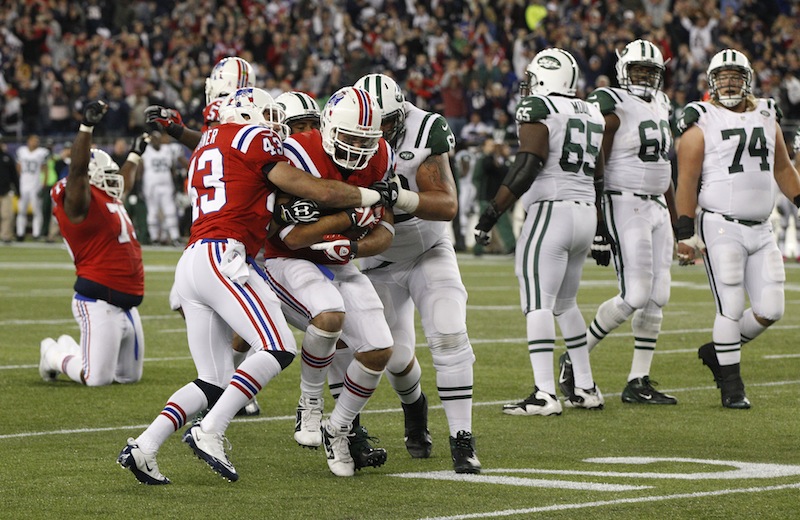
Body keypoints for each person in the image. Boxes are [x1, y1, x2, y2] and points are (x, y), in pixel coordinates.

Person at [117, 87, 397, 485]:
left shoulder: (210, 145)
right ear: (249, 117)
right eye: (268, 117)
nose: (275, 129)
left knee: (212, 379)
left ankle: (144, 446)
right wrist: (372, 196)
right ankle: (210, 431)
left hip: (194, 259)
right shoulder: (252, 139)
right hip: (225, 257)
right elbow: (319, 190)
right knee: (278, 346)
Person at [264, 85, 395, 477]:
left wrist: (355, 249)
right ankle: (309, 403)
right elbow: (289, 236)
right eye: (351, 136)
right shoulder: (299, 152)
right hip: (287, 259)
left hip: (338, 259)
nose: (358, 147)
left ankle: (337, 428)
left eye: (366, 139)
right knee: (329, 312)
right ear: (328, 127)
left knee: (379, 348)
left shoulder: (381, 157)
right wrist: (349, 219)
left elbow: (387, 228)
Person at [355, 73, 481, 474]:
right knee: (394, 356)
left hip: (428, 249)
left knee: (448, 331)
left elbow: (446, 204)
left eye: (385, 123)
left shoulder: (424, 128)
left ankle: (462, 440)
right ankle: (415, 406)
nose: (376, 132)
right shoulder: (345, 131)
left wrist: (401, 195)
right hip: (378, 258)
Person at [474, 48, 606, 416]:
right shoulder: (592, 110)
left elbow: (528, 164)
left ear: (545, 77)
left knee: (538, 302)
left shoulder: (540, 109)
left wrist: (492, 211)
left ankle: (545, 393)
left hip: (551, 210)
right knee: (565, 304)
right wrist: (602, 225)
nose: (528, 85)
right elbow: (599, 173)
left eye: (532, 78)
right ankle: (585, 387)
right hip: (584, 212)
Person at [675, 48, 800, 409]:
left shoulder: (766, 115)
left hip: (762, 228)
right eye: (722, 76)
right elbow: (686, 181)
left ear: (748, 80)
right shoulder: (702, 123)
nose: (729, 82)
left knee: (771, 309)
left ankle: (718, 351)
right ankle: (732, 385)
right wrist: (685, 233)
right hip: (720, 225)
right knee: (730, 305)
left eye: (735, 76)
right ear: (711, 83)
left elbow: (783, 170)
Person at [560, 39, 678, 405]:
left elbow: (664, 166)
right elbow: (596, 157)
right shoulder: (609, 101)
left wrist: (679, 218)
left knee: (658, 297)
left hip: (657, 205)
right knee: (636, 294)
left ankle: (638, 379)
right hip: (624, 202)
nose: (643, 77)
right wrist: (597, 219)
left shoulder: (661, 103)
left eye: (650, 71)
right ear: (623, 71)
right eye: (637, 70)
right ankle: (574, 358)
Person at [38, 101, 149, 386]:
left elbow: (124, 181)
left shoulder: (108, 198)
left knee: (127, 378)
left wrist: (135, 155)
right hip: (98, 300)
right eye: (106, 176)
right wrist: (86, 127)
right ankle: (52, 354)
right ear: (89, 179)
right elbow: (76, 172)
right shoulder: (78, 203)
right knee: (96, 378)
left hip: (127, 304)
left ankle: (69, 346)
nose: (114, 181)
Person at [140, 131, 186, 246]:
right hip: (151, 187)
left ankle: (175, 237)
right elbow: (140, 169)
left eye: (157, 138)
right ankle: (154, 238)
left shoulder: (167, 150)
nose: (155, 141)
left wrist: (176, 184)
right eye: (153, 139)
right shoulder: (146, 151)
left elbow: (172, 168)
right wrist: (139, 185)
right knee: (152, 212)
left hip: (167, 185)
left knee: (170, 211)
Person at [15, 134, 49, 241]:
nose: (35, 142)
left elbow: (45, 169)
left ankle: (36, 233)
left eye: (37, 141)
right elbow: (18, 167)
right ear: (28, 141)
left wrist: (43, 183)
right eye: (33, 140)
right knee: (21, 210)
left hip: (35, 185)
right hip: (23, 184)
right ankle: (20, 233)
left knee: (36, 210)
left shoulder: (42, 152)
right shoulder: (22, 151)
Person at [0, 142, 18, 243]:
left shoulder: (7, 157)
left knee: (7, 215)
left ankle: (6, 236)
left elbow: (14, 175)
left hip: (6, 190)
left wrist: (17, 189)